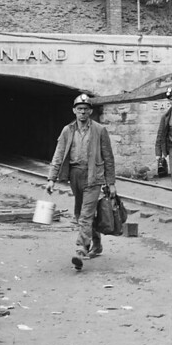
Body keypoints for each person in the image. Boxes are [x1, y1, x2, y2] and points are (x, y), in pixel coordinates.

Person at [46, 94, 117, 271]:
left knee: (85, 215)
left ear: (91, 111)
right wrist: (51, 178)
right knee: (80, 213)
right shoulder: (67, 130)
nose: (83, 112)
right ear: (74, 111)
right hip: (75, 175)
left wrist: (111, 182)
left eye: (86, 109)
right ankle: (97, 243)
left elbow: (108, 157)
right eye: (79, 109)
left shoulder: (100, 130)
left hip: (94, 176)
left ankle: (80, 249)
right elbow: (59, 154)